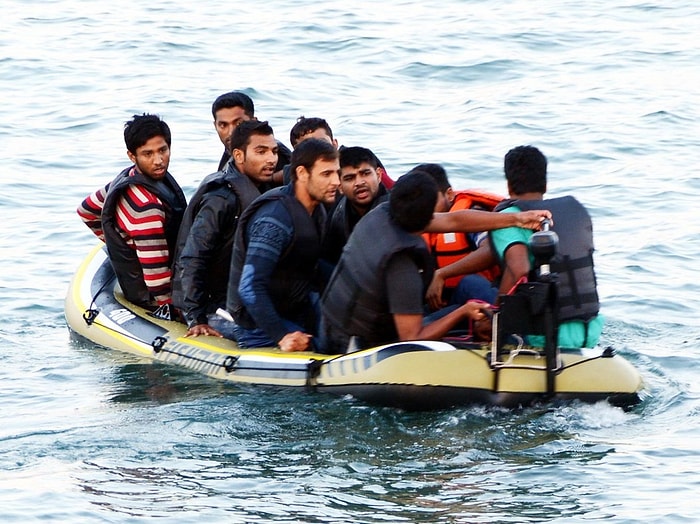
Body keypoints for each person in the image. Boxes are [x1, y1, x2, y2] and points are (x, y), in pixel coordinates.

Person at [320, 170, 490, 354]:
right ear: (429, 216)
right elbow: (411, 337)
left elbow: (453, 220)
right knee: (462, 313)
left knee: (463, 294)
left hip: (330, 326)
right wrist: (464, 311)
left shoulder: (381, 213)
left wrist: (516, 219)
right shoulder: (402, 264)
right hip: (355, 348)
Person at [226, 138, 340, 352]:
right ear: (302, 174)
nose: (336, 182)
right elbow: (249, 287)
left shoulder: (317, 210)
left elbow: (313, 267)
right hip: (257, 326)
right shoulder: (274, 220)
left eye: (336, 173)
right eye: (326, 174)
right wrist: (282, 335)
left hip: (294, 309)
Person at [487, 145, 604, 348]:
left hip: (543, 335)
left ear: (509, 185)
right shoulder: (575, 210)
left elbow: (519, 268)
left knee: (469, 286)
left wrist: (495, 319)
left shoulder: (509, 218)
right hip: (590, 331)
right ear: (546, 184)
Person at [171, 120, 279, 337]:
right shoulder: (220, 198)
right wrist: (196, 317)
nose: (271, 159)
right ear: (239, 156)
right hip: (211, 306)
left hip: (240, 295)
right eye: (261, 151)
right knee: (266, 334)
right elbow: (193, 257)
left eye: (274, 151)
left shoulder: (263, 187)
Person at [77, 113, 186, 310]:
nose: (159, 160)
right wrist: (172, 310)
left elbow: (87, 209)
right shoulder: (147, 207)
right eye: (148, 154)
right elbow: (156, 278)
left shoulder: (128, 176)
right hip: (148, 294)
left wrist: (120, 243)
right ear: (132, 155)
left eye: (163, 150)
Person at [419, 163, 503, 309]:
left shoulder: (471, 215)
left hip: (476, 299)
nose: (424, 205)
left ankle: (501, 324)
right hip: (440, 306)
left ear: (449, 194)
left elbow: (490, 250)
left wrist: (442, 274)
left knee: (471, 282)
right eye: (419, 200)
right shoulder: (413, 223)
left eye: (430, 198)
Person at [320, 146, 390, 268]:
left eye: (365, 173)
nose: (359, 182)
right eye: (350, 178)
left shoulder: (395, 209)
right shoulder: (338, 212)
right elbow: (327, 257)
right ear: (340, 186)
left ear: (378, 175)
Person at [282, 116, 394, 189]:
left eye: (323, 143)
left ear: (335, 144)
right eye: (308, 147)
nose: (318, 151)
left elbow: (390, 187)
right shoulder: (293, 174)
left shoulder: (358, 161)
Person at [211, 90, 291, 173]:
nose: (231, 132)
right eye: (223, 125)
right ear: (215, 126)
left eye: (239, 123)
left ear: (253, 122)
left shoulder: (276, 156)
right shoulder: (229, 152)